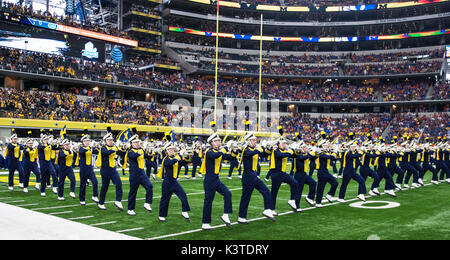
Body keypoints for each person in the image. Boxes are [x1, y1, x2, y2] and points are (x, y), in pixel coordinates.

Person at [237, 132, 274, 224]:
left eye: (255, 140)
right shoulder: (246, 150)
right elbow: (251, 153)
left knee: (266, 191)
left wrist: (269, 149)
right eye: (253, 140)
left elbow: (264, 154)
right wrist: (261, 148)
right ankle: (241, 217)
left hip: (253, 175)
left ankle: (267, 209)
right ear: (248, 141)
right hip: (248, 176)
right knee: (246, 197)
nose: (255, 141)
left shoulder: (254, 149)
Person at [199, 129, 233, 231]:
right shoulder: (209, 152)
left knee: (228, 194)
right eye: (218, 141)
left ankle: (225, 215)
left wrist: (235, 151)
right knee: (208, 201)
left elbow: (228, 156)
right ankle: (205, 223)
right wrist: (226, 148)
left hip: (216, 179)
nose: (220, 142)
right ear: (212, 142)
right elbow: (216, 155)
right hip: (209, 180)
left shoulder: (218, 152)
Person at [157, 138, 190, 222]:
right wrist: (179, 156)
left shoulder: (176, 158)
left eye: (172, 149)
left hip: (174, 181)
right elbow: (170, 163)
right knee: (165, 199)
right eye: (170, 149)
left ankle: (184, 211)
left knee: (183, 195)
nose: (172, 151)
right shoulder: (166, 159)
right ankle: (161, 215)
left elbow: (184, 162)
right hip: (167, 182)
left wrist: (186, 156)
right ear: (166, 151)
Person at [124, 129, 154, 216]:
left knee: (149, 186)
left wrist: (151, 153)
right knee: (133, 192)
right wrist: (142, 149)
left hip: (142, 172)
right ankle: (130, 209)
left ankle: (147, 203)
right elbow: (134, 156)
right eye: (135, 142)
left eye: (138, 142)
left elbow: (146, 156)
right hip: (134, 174)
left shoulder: (140, 149)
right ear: (131, 143)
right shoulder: (130, 151)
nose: (137, 144)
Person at [269, 134, 299, 214]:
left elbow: (295, 155)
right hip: (276, 174)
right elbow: (281, 155)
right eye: (283, 143)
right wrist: (290, 151)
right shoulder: (276, 150)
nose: (285, 145)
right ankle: (271, 209)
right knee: (274, 192)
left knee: (294, 183)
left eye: (285, 143)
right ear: (278, 144)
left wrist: (297, 151)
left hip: (282, 173)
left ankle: (292, 200)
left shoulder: (285, 151)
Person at [97, 125, 123, 211]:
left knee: (119, 183)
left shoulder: (113, 147)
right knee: (105, 187)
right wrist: (115, 148)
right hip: (105, 170)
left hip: (113, 169)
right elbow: (108, 152)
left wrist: (123, 149)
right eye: (109, 140)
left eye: (111, 140)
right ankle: (101, 203)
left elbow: (121, 153)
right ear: (105, 141)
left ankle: (118, 201)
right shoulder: (103, 148)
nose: (111, 141)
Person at [75, 129, 99, 205]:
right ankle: (82, 199)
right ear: (83, 142)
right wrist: (90, 147)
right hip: (83, 169)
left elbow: (97, 152)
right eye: (86, 141)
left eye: (88, 141)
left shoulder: (89, 148)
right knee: (83, 185)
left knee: (95, 182)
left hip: (90, 168)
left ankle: (95, 196)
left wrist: (98, 147)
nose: (87, 142)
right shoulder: (81, 148)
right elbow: (82, 152)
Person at [57, 136, 76, 201]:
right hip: (62, 169)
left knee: (73, 179)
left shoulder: (71, 151)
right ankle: (60, 195)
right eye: (66, 145)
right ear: (63, 146)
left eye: (68, 144)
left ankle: (72, 192)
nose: (68, 146)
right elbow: (62, 155)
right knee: (61, 182)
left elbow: (75, 155)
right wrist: (70, 152)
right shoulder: (61, 151)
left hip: (69, 168)